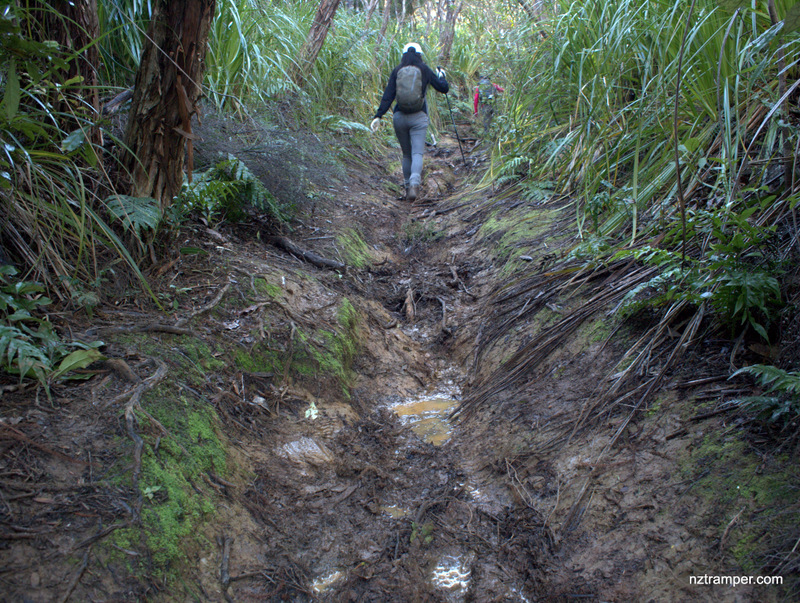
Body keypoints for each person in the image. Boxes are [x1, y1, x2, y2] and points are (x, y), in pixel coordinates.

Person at [371, 43, 449, 201]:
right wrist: (442, 76)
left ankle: (407, 188)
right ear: (420, 54)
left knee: (406, 154)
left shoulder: (397, 70)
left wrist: (378, 115)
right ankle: (415, 184)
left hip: (399, 117)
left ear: (404, 54)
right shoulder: (424, 69)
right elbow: (443, 88)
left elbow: (388, 95)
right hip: (419, 117)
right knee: (417, 153)